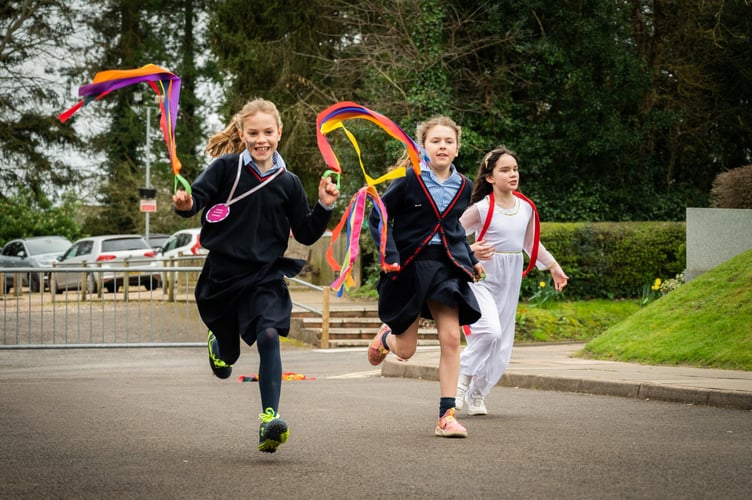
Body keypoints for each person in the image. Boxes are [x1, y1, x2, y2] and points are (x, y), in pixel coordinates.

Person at [173, 98, 339, 453]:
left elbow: (306, 233)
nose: (261, 139)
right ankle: (219, 346)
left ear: (279, 133)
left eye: (268, 132)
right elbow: (195, 200)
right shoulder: (225, 168)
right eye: (253, 133)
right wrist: (185, 203)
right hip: (223, 275)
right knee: (230, 358)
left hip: (264, 275)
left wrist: (324, 205)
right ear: (242, 134)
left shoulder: (289, 182)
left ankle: (270, 419)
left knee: (268, 335)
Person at [366, 116, 484, 438]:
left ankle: (446, 417)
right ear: (423, 148)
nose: (442, 146)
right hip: (409, 268)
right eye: (435, 141)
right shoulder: (408, 180)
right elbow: (379, 214)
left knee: (450, 339)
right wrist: (389, 254)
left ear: (457, 148)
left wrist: (470, 259)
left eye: (448, 141)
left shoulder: (465, 187)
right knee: (406, 350)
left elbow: (454, 229)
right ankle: (386, 337)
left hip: (446, 268)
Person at [457, 145, 568, 415]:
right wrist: (471, 251)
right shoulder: (481, 209)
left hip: (511, 278)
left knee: (503, 346)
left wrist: (553, 266)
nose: (513, 174)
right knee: (489, 331)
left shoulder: (527, 207)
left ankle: (477, 394)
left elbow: (530, 242)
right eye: (505, 170)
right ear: (490, 177)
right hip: (481, 278)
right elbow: (452, 236)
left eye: (515, 169)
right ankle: (459, 383)